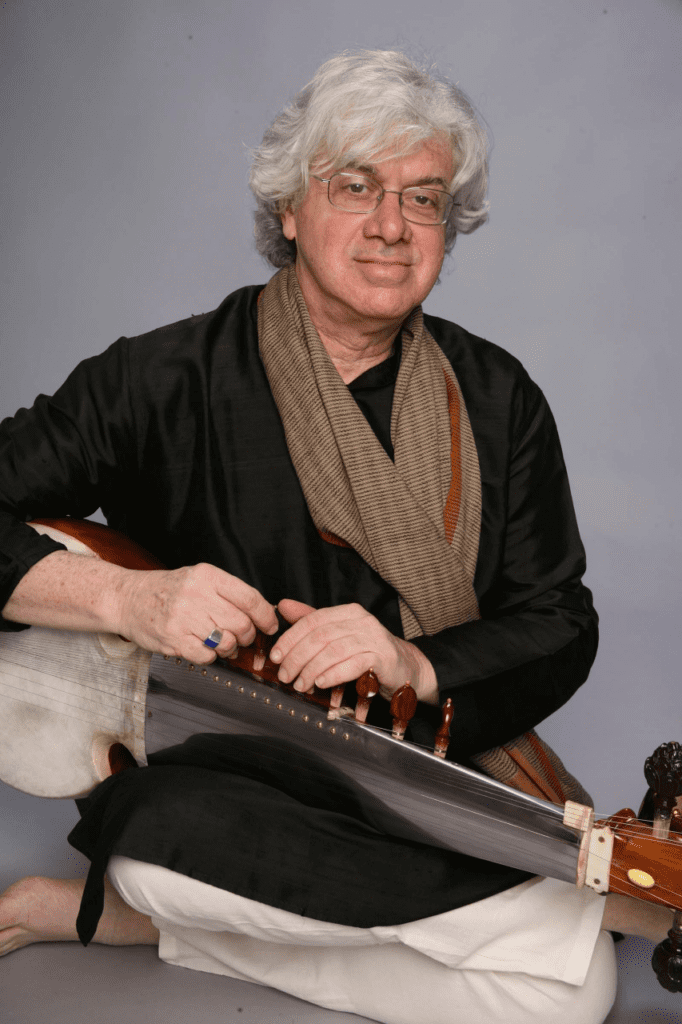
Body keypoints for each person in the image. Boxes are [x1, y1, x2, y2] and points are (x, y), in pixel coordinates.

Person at [0, 49, 674, 1024]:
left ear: (449, 223)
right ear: (288, 208)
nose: (392, 227)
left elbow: (558, 617)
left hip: (431, 780)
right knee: (164, 840)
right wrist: (125, 598)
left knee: (566, 1000)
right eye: (354, 187)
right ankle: (593, 902)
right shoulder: (162, 379)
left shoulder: (498, 397)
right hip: (230, 790)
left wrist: (416, 661)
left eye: (424, 197)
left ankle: (119, 919)